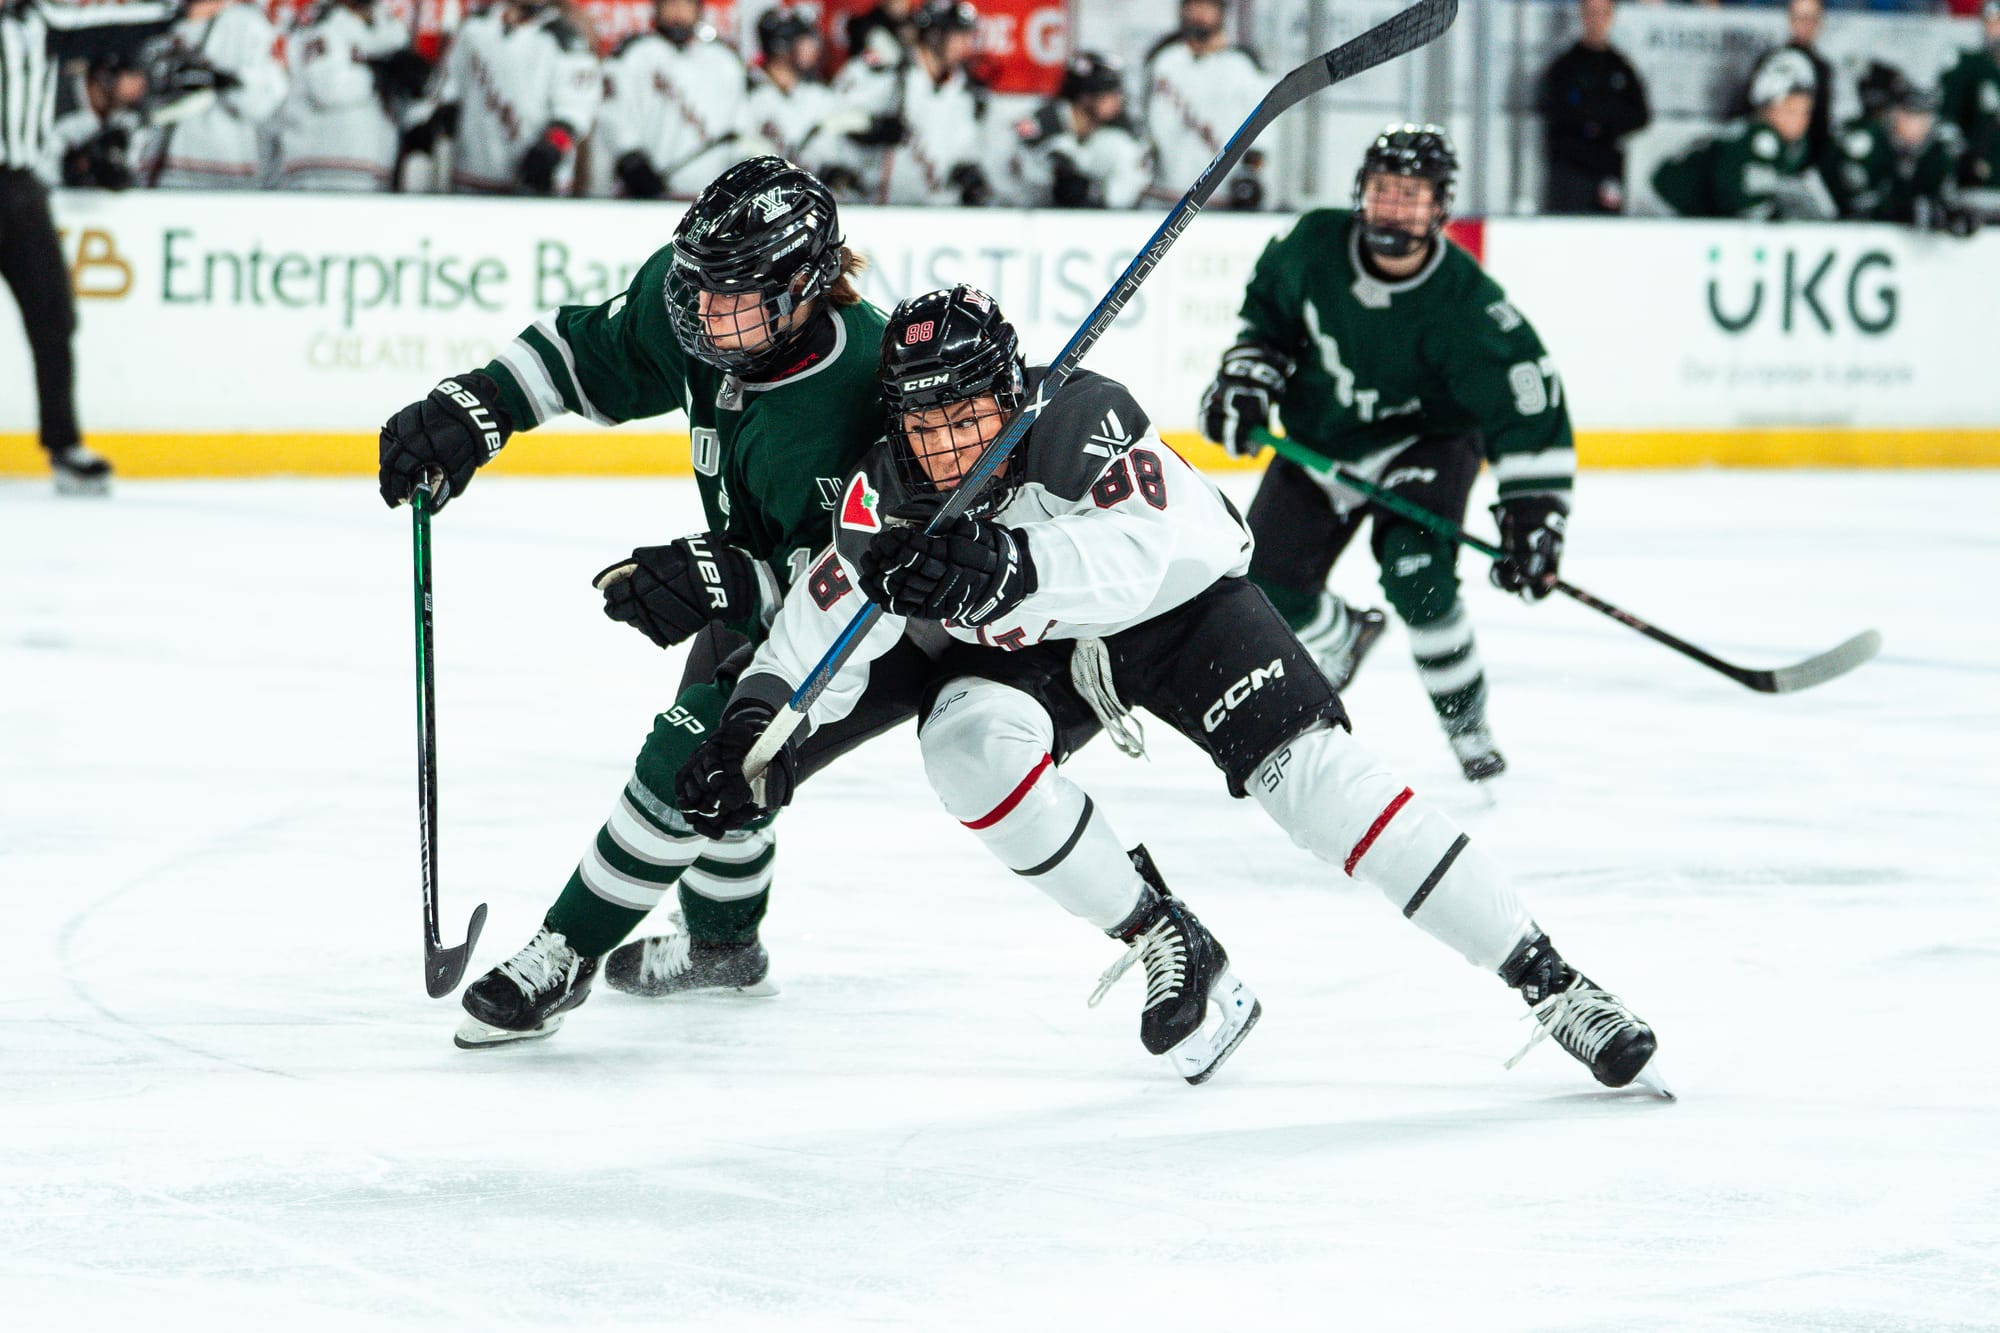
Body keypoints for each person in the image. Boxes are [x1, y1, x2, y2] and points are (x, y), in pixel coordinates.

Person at [676, 284, 1666, 1095]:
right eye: (923, 423)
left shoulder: (1082, 417)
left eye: (966, 416)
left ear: (1009, 391)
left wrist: (1010, 568)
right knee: (965, 746)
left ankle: (1552, 980)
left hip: (1179, 610)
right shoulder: (882, 497)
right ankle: (1166, 933)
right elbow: (819, 630)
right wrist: (757, 725)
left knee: (1317, 784)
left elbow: (1154, 552)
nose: (947, 446)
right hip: (1044, 649)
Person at [376, 157, 942, 1049]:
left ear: (801, 292)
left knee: (700, 749)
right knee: (721, 777)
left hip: (888, 623)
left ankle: (565, 952)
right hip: (766, 585)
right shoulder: (703, 303)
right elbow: (591, 354)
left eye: (732, 297)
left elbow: (852, 584)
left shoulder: (867, 391)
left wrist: (723, 578)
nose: (703, 312)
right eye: (700, 286)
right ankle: (724, 948)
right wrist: (478, 407)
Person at [1197, 125, 1573, 785]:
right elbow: (1267, 322)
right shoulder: (1312, 245)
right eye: (1382, 190)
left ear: (1440, 205)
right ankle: (1344, 634)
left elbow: (1527, 406)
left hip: (1425, 444)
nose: (1394, 207)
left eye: (1411, 194)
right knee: (1262, 589)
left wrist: (1535, 512)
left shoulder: (1468, 303)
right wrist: (1247, 380)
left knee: (1417, 574)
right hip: (1320, 441)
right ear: (1360, 193)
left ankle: (1467, 722)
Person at [2, 0, 178, 496]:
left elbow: (110, 29)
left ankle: (64, 444)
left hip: (21, 187)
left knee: (54, 316)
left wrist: (178, 14)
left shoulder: (39, 22)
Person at [410, 0, 600, 195]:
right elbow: (448, 89)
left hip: (536, 182)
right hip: (472, 175)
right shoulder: (474, 27)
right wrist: (433, 120)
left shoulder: (564, 37)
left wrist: (554, 145)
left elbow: (578, 108)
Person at [822, 0, 992, 205]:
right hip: (874, 206)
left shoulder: (964, 89)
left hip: (933, 210)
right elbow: (833, 119)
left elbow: (963, 149)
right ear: (935, 35)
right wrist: (872, 127)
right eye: (958, 35)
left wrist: (967, 173)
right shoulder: (890, 68)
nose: (965, 44)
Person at [1652, 51, 1835, 221]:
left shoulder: (1795, 146)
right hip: (1666, 209)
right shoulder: (1757, 139)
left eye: (1805, 112)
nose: (1800, 120)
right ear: (1767, 109)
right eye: (1790, 111)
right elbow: (1737, 202)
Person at [592, 0, 747, 201]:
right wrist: (631, 158)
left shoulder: (725, 60)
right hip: (645, 192)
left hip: (712, 197)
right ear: (657, 8)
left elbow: (741, 129)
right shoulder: (634, 53)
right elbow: (612, 112)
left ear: (699, 10)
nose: (678, 12)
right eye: (671, 4)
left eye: (686, 5)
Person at [141, 0, 288, 188]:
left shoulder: (246, 23)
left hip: (220, 175)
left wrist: (221, 79)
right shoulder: (158, 19)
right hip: (158, 174)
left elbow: (267, 98)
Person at [272, 0, 416, 192]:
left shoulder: (390, 26)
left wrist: (419, 93)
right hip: (323, 167)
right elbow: (327, 89)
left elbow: (405, 107)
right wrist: (374, 74)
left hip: (373, 167)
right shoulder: (323, 23)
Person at [1141, 0, 1266, 209]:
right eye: (1193, 5)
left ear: (1221, 11)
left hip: (1224, 199)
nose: (1199, 13)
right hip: (1166, 196)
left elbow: (1262, 137)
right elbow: (1145, 126)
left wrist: (1250, 177)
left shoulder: (1243, 65)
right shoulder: (1164, 60)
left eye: (1207, 6)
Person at [1826, 65, 1974, 235]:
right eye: (1910, 115)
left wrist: (1950, 214)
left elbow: (1944, 195)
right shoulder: (1864, 143)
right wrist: (1905, 211)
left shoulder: (1941, 148)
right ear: (1894, 113)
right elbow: (1854, 207)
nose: (1917, 126)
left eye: (1924, 117)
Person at [1536, 0, 1649, 215]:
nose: (1596, 20)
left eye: (1602, 13)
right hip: (1570, 168)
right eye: (1591, 13)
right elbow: (1558, 112)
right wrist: (1600, 115)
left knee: (1607, 228)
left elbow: (1639, 115)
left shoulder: (1620, 67)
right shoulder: (1565, 66)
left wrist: (1601, 120)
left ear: (1611, 17)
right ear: (1582, 15)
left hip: (1607, 166)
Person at [1007, 51, 1150, 209]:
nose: (1118, 100)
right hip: (1028, 213)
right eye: (1111, 93)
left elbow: (1127, 189)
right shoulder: (1044, 122)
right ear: (1086, 96)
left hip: (1096, 218)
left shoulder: (1119, 129)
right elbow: (1022, 174)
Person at [1740, 0, 1833, 167]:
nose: (1805, 24)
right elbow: (1750, 110)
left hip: (1805, 161)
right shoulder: (1769, 60)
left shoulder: (1824, 69)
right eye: (1800, 17)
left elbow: (1822, 123)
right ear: (1790, 19)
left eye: (1811, 18)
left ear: (1820, 22)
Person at [744, 5, 839, 164]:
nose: (813, 46)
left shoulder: (818, 95)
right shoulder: (750, 96)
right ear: (781, 46)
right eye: (803, 40)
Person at [1939, 1, 2000, 202]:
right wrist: (1963, 160)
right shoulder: (1968, 65)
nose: (1996, 30)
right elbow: (1947, 119)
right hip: (1980, 179)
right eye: (1991, 23)